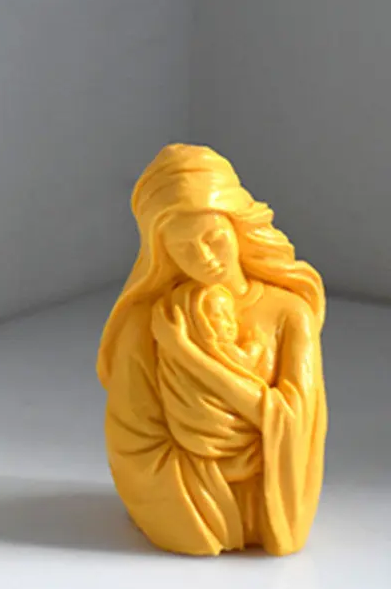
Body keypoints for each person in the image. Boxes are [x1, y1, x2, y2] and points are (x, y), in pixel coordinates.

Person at [97, 143, 327, 556]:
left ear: (238, 228)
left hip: (269, 490)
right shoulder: (150, 322)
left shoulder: (289, 313)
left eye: (214, 238)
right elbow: (132, 437)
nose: (204, 258)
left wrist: (190, 357)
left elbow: (295, 420)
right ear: (162, 253)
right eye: (183, 248)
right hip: (185, 491)